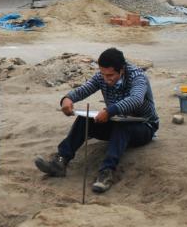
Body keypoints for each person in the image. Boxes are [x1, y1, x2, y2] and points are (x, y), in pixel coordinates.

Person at [34, 47, 159, 194]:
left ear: (122, 69)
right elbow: (85, 89)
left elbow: (136, 100)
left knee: (123, 127)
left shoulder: (138, 77)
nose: (106, 79)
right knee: (84, 119)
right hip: (116, 120)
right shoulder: (102, 76)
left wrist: (109, 111)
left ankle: (106, 172)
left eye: (111, 75)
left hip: (143, 126)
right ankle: (60, 161)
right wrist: (67, 99)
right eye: (103, 74)